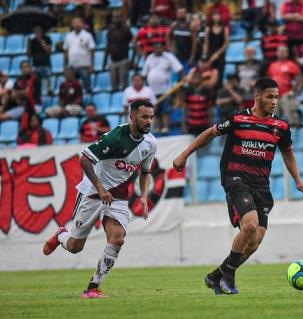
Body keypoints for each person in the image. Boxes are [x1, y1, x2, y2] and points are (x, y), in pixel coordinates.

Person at [173, 77, 303, 295]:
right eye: (269, 96)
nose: (274, 101)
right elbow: (210, 133)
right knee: (249, 225)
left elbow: (288, 152)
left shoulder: (280, 127)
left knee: (254, 242)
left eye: (276, 97)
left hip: (261, 185)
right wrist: (183, 156)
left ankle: (215, 276)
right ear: (257, 96)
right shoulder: (238, 119)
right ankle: (229, 277)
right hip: (236, 178)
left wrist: (298, 180)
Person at [43, 99, 158, 299]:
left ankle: (93, 287)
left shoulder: (151, 143)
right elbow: (84, 159)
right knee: (74, 247)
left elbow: (145, 172)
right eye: (144, 117)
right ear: (132, 117)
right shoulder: (115, 138)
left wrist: (144, 196)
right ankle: (62, 235)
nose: (149, 121)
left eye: (151, 117)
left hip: (119, 196)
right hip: (93, 193)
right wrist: (100, 187)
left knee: (118, 239)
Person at [142, 42, 184, 134]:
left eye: (160, 48)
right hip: (152, 91)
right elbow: (144, 74)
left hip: (166, 90)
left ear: (163, 48)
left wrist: (183, 78)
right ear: (153, 48)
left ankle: (166, 127)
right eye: (156, 48)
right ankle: (158, 127)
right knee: (155, 111)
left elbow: (179, 68)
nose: (158, 50)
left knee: (166, 110)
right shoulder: (149, 58)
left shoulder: (169, 57)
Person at [268, 45, 302, 127]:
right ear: (277, 53)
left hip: (287, 94)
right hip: (274, 95)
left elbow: (299, 79)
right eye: (280, 51)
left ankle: (293, 131)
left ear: (287, 53)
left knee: (292, 118)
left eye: (284, 51)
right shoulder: (272, 65)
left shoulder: (291, 64)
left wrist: (294, 92)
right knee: (273, 120)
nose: (282, 53)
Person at [63, 17, 96, 94]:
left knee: (87, 86)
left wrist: (91, 65)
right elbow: (65, 51)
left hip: (84, 65)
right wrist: (65, 66)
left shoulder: (87, 35)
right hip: (72, 66)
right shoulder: (68, 36)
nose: (76, 25)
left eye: (78, 23)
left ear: (82, 24)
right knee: (73, 88)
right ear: (72, 24)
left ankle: (89, 101)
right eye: (75, 23)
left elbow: (92, 50)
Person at [104, 11, 134, 92]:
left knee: (124, 86)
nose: (116, 19)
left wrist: (133, 60)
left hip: (123, 60)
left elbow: (134, 44)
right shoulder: (110, 30)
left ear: (121, 18)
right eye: (114, 17)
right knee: (114, 86)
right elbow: (108, 46)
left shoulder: (126, 30)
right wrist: (104, 63)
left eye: (118, 17)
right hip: (113, 61)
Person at [180, 70, 213, 135]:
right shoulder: (188, 91)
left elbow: (210, 109)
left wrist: (211, 125)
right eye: (194, 77)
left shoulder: (207, 90)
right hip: (191, 125)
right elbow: (185, 109)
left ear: (201, 79)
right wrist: (183, 125)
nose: (195, 79)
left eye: (197, 77)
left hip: (204, 125)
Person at [203, 11, 230, 89]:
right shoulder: (208, 28)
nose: (216, 17)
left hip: (220, 55)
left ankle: (217, 95)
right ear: (211, 17)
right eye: (214, 15)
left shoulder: (224, 28)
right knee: (209, 76)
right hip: (210, 55)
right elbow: (206, 43)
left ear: (220, 17)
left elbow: (226, 44)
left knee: (219, 77)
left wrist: (217, 54)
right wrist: (206, 56)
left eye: (217, 15)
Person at [27, 26, 53, 96]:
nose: (36, 32)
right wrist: (28, 44)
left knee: (48, 80)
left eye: (38, 30)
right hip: (36, 64)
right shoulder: (32, 41)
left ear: (41, 31)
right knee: (36, 82)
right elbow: (29, 54)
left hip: (46, 63)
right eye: (35, 31)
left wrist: (41, 41)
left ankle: (49, 92)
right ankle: (38, 94)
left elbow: (49, 51)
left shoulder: (47, 38)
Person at [169, 7, 195, 71]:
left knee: (186, 77)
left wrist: (192, 57)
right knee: (175, 77)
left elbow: (194, 43)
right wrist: (171, 49)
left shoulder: (190, 26)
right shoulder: (174, 26)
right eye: (179, 13)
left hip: (187, 56)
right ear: (177, 14)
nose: (181, 14)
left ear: (186, 14)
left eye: (182, 13)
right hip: (176, 56)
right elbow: (169, 37)